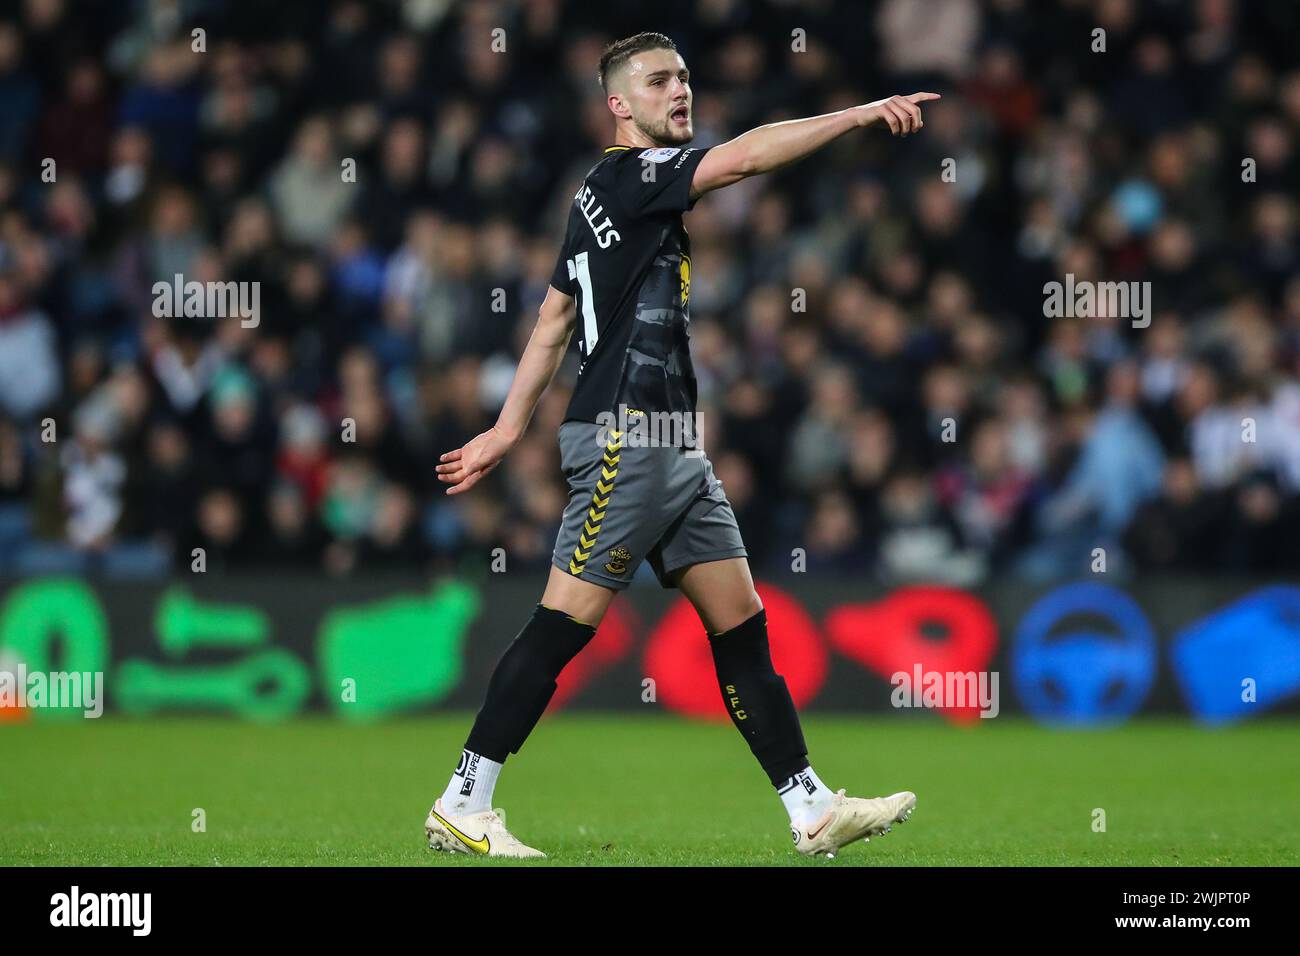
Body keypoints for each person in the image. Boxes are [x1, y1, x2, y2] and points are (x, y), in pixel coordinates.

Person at [428, 32, 937, 859]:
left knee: (741, 627)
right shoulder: (633, 176)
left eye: (686, 78)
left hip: (674, 449)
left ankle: (809, 806)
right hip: (628, 440)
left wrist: (506, 428)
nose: (681, 92)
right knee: (563, 623)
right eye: (660, 81)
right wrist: (854, 116)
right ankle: (464, 797)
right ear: (618, 106)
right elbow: (740, 161)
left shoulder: (594, 193)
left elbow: (555, 318)